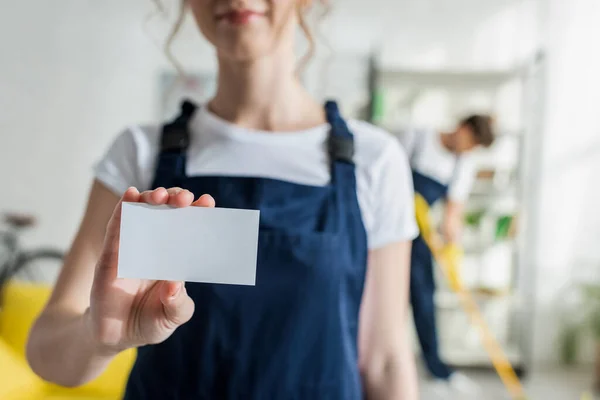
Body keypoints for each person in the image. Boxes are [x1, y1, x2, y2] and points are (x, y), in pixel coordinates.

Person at [25, 1, 420, 399]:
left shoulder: (375, 160)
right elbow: (47, 351)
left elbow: (385, 360)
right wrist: (100, 337)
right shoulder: (139, 152)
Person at [399, 115, 495, 391]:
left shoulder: (461, 164)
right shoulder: (417, 136)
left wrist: (452, 248)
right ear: (463, 128)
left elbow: (452, 214)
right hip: (388, 231)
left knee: (424, 299)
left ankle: (437, 369)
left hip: (420, 239)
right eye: (471, 142)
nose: (469, 150)